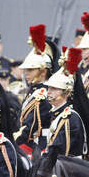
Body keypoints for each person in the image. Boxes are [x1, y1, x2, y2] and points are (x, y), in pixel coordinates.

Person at [15, 24, 52, 155]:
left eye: (30, 70)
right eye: (25, 70)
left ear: (43, 71)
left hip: (37, 145)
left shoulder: (43, 94)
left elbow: (30, 125)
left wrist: (14, 139)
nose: (26, 73)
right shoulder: (34, 91)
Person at [44, 48, 86, 158]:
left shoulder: (70, 117)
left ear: (66, 93)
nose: (49, 92)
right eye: (49, 88)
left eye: (54, 89)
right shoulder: (55, 112)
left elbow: (60, 149)